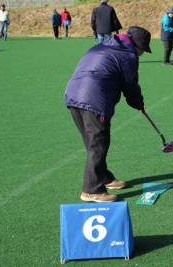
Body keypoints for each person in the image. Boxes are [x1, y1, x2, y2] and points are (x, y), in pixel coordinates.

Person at [64, 26, 152, 202]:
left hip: (72, 95)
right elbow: (130, 84)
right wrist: (137, 102)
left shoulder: (103, 45)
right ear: (137, 45)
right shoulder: (128, 55)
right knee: (98, 143)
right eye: (143, 49)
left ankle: (104, 177)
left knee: (93, 142)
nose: (142, 53)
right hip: (94, 99)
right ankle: (92, 190)